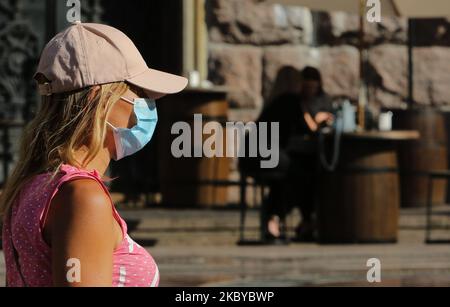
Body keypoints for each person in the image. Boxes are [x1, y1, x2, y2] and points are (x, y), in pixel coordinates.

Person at [0, 22, 188, 287]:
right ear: (96, 100)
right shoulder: (83, 196)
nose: (148, 105)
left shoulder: (31, 185)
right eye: (139, 93)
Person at [252, 66, 334, 242]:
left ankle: (289, 219)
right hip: (265, 156)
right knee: (299, 172)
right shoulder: (289, 102)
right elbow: (306, 130)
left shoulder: (277, 100)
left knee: (299, 170)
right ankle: (281, 219)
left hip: (256, 154)